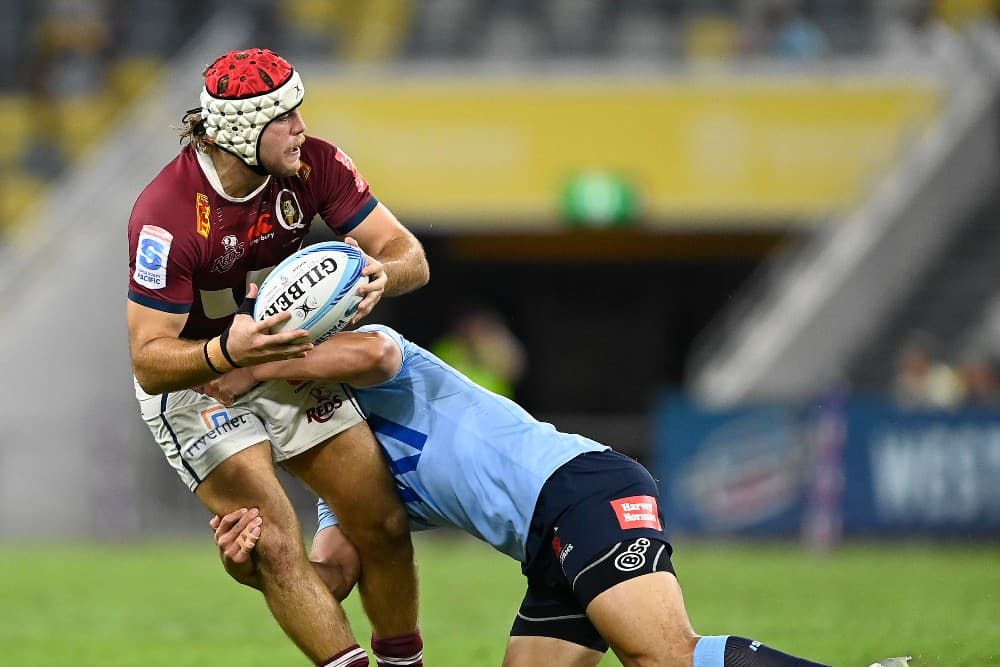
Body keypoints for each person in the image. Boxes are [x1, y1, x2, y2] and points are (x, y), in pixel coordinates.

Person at [203, 325, 840, 667]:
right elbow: (336, 577)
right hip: (546, 544)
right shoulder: (339, 482)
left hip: (581, 491)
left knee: (664, 657)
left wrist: (258, 364)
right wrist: (262, 569)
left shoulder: (367, 367)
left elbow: (378, 349)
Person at [126, 48, 429, 667]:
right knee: (276, 543)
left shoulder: (316, 163)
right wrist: (222, 350)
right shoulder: (166, 214)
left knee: (384, 527)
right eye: (284, 117)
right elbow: (149, 362)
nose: (301, 127)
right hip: (197, 383)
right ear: (241, 130)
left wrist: (382, 274)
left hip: (284, 359)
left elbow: (408, 255)